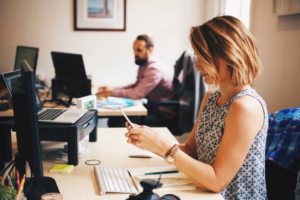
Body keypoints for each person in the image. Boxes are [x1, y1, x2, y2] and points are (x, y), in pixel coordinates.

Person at [125, 16, 268, 199]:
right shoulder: (210, 97)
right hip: (203, 193)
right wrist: (152, 143)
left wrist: (164, 146)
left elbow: (218, 181)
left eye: (203, 57)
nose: (198, 66)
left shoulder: (245, 107)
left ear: (230, 54)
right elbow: (192, 151)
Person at [97, 34, 176, 127]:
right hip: (152, 108)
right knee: (115, 118)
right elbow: (136, 85)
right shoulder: (144, 66)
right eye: (134, 49)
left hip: (162, 114)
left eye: (139, 50)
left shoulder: (154, 69)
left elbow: (136, 94)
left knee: (119, 120)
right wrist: (113, 88)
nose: (135, 53)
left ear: (150, 50)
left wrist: (111, 93)